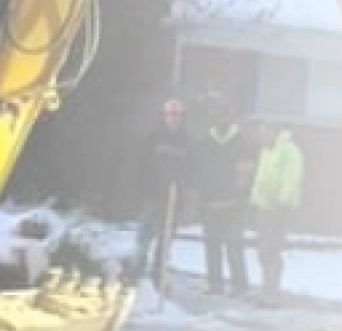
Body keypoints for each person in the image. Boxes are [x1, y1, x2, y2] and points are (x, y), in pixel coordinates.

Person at [187, 95, 252, 296]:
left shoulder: (242, 142)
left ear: (231, 117)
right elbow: (198, 171)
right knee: (212, 247)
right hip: (210, 204)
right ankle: (214, 284)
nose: (222, 118)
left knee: (234, 247)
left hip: (234, 205)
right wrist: (200, 196)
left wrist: (242, 195)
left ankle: (239, 286)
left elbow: (247, 172)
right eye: (218, 114)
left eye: (226, 114)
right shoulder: (205, 142)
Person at [129, 97, 192, 286]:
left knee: (164, 245)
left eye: (177, 114)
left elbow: (191, 170)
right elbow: (141, 166)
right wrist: (140, 192)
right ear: (163, 116)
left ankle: (159, 280)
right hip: (151, 197)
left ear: (183, 117)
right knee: (143, 240)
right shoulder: (153, 138)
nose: (173, 118)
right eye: (170, 114)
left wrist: (183, 191)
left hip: (173, 200)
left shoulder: (187, 141)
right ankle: (135, 279)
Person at [249, 121, 304, 302]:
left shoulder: (289, 150)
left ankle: (272, 292)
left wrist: (283, 202)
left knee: (272, 249)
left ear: (273, 131)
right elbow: (260, 177)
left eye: (264, 132)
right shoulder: (266, 151)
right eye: (259, 133)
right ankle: (266, 288)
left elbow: (292, 177)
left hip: (279, 209)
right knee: (263, 250)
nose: (260, 136)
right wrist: (255, 201)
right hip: (264, 208)